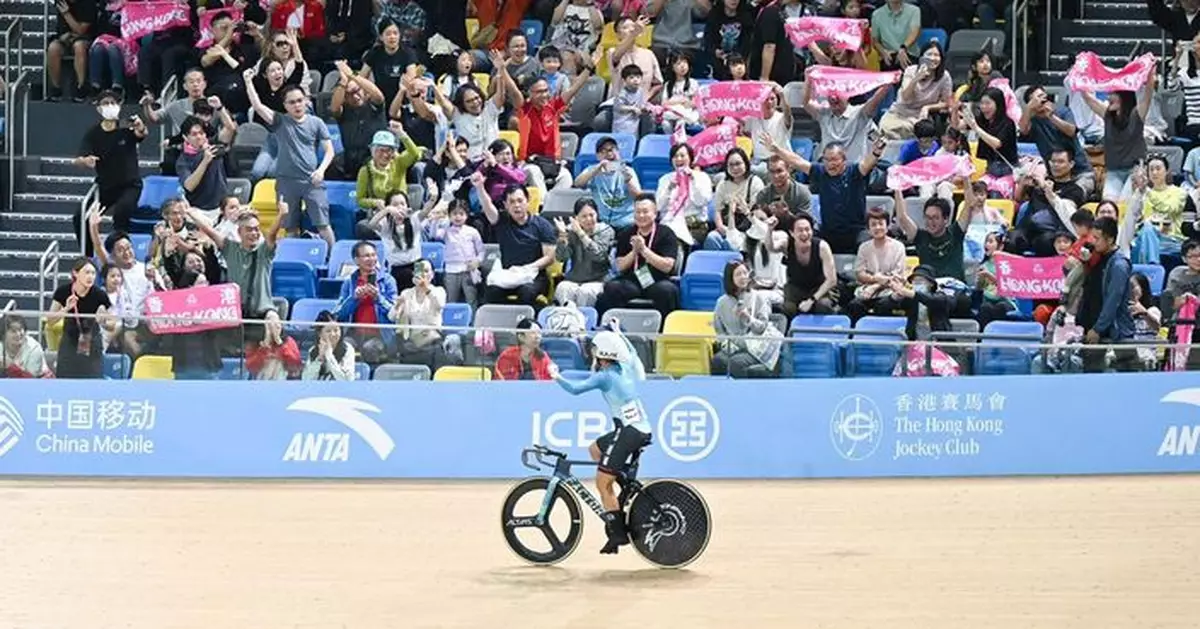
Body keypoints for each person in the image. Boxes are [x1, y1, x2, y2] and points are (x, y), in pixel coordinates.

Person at [547, 324, 650, 555]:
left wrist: (556, 375)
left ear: (604, 354)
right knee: (595, 449)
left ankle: (618, 534)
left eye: (595, 351)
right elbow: (631, 352)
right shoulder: (626, 366)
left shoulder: (605, 377)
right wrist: (619, 333)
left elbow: (575, 389)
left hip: (628, 431)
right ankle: (623, 487)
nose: (593, 354)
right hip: (638, 428)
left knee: (602, 483)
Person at [75, 90, 148, 256]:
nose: (109, 106)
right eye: (105, 103)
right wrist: (85, 161)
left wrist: (140, 126)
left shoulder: (126, 126)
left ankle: (120, 253)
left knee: (121, 211)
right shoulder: (93, 133)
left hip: (130, 185)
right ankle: (89, 255)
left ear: (119, 106)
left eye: (113, 103)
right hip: (106, 187)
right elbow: (78, 159)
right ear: (99, 109)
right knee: (80, 216)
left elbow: (141, 133)